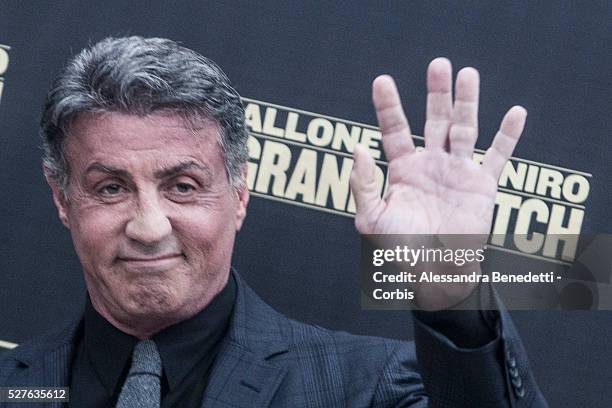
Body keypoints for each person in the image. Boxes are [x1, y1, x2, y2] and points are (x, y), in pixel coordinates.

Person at [0, 36, 547, 407]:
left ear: (239, 194)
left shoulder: (368, 386)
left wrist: (446, 283)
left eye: (183, 186)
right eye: (111, 188)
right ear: (63, 199)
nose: (148, 227)